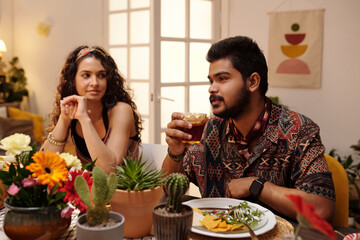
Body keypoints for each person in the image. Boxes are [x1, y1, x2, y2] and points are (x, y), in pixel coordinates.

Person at [162, 36, 335, 221]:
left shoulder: (300, 131)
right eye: (211, 80)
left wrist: (257, 186)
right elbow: (168, 190)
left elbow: (322, 209)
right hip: (217, 233)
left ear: (252, 82)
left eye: (222, 79)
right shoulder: (207, 130)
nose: (211, 88)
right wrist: (175, 153)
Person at [43, 46, 142, 174]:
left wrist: (84, 119)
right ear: (73, 80)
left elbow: (109, 170)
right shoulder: (73, 109)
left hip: (124, 191)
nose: (95, 82)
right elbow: (45, 162)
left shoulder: (121, 110)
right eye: (86, 75)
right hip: (89, 190)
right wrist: (64, 118)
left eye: (101, 75)